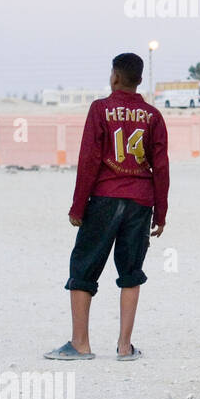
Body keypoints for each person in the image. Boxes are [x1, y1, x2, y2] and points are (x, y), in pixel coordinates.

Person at [46, 53, 169, 361]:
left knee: (84, 266)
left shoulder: (100, 109)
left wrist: (77, 206)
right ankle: (125, 347)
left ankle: (80, 344)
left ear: (114, 77)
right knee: (131, 271)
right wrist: (161, 212)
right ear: (139, 79)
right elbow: (162, 168)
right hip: (141, 201)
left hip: (104, 198)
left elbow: (88, 159)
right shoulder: (153, 116)